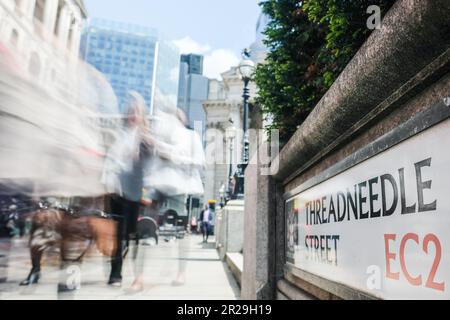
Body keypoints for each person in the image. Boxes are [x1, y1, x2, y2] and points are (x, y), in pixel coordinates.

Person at [102, 91, 152, 288]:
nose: (133, 116)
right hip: (118, 192)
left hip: (137, 194)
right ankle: (116, 274)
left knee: (134, 235)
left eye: (137, 112)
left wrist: (147, 193)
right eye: (131, 112)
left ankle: (138, 275)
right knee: (118, 235)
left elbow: (150, 169)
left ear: (142, 116)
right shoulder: (118, 135)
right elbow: (110, 162)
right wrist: (107, 185)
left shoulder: (146, 138)